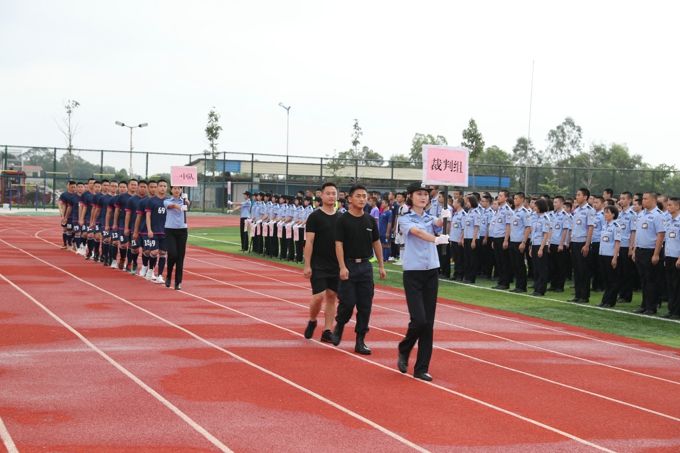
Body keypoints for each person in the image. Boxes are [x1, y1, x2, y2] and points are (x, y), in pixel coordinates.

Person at [397, 182, 450, 382]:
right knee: (418, 319)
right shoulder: (404, 218)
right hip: (413, 273)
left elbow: (437, 224)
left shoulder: (429, 218)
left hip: (431, 272)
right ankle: (404, 347)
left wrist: (446, 218)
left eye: (426, 194)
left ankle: (421, 367)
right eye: (419, 194)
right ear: (410, 196)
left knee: (428, 324)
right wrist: (436, 240)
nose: (423, 197)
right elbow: (418, 233)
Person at [331, 184, 387, 355]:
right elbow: (338, 244)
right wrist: (341, 266)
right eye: (358, 196)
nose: (362, 199)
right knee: (347, 303)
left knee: (365, 305)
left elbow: (376, 243)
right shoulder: (342, 219)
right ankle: (340, 325)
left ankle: (360, 340)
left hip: (365, 266)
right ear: (350, 199)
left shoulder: (370, 220)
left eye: (364, 196)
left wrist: (381, 265)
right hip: (348, 265)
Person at [302, 182, 341, 343]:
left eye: (334, 193)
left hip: (336, 264)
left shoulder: (341, 217)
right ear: (322, 196)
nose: (331, 196)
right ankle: (312, 320)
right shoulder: (315, 217)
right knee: (318, 296)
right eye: (328, 193)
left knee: (332, 296)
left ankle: (327, 330)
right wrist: (307, 264)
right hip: (318, 263)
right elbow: (309, 242)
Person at [632, 192, 666, 315]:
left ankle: (651, 307)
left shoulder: (658, 215)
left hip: (651, 250)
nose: (643, 201)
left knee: (651, 280)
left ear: (653, 200)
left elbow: (660, 235)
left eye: (646, 199)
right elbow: (638, 235)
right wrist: (635, 250)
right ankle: (644, 304)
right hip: (640, 250)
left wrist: (656, 254)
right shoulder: (641, 214)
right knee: (644, 280)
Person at [568, 188, 596, 304]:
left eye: (579, 195)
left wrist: (587, 244)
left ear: (585, 197)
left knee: (583, 270)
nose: (577, 196)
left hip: (583, 242)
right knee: (577, 270)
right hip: (574, 242)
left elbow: (590, 227)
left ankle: (584, 296)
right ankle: (577, 294)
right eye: (576, 194)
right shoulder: (577, 210)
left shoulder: (589, 210)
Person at [164, 186, 191, 290]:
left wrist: (187, 202)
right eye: (174, 188)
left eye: (179, 188)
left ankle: (178, 282)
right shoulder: (167, 201)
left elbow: (188, 205)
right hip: (170, 230)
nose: (176, 190)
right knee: (172, 254)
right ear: (171, 190)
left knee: (180, 257)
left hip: (182, 230)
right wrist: (180, 207)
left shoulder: (184, 200)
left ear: (181, 190)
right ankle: (169, 275)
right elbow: (172, 206)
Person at [598, 205, 622, 308]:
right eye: (604, 212)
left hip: (610, 255)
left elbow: (617, 242)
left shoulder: (616, 226)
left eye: (607, 212)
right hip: (603, 254)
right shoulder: (605, 225)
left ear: (613, 214)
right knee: (606, 278)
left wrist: (615, 257)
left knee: (612, 279)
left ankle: (610, 301)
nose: (605, 214)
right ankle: (605, 300)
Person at [146, 179, 169, 284]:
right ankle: (151, 270)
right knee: (154, 252)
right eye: (161, 186)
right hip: (154, 231)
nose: (163, 188)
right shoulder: (151, 200)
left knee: (163, 253)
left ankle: (160, 275)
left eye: (165, 186)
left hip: (165, 232)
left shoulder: (168, 201)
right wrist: (149, 229)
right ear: (157, 187)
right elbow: (148, 216)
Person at [490, 190, 513, 290]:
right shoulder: (498, 209)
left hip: (502, 238)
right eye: (498, 195)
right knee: (498, 261)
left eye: (500, 196)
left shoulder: (507, 210)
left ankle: (505, 283)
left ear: (506, 198)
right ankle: (501, 281)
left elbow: (508, 226)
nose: (498, 197)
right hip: (496, 237)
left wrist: (506, 240)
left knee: (504, 261)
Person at [509, 192, 531, 293]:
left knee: (520, 264)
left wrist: (523, 242)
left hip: (520, 241)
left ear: (522, 199)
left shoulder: (524, 212)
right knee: (514, 264)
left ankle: (522, 286)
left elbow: (528, 228)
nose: (515, 200)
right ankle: (518, 285)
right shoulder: (514, 211)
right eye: (514, 198)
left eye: (517, 198)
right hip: (513, 240)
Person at [548, 196, 570, 292]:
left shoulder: (565, 215)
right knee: (552, 266)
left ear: (561, 203)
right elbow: (550, 229)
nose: (554, 204)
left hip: (560, 244)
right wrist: (548, 243)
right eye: (554, 202)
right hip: (552, 242)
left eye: (556, 202)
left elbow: (565, 230)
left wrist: (562, 244)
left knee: (560, 266)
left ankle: (559, 286)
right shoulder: (552, 214)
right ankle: (553, 284)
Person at [529, 198, 551, 296]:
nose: (534, 207)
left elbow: (546, 234)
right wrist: (530, 246)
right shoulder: (534, 216)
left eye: (536, 206)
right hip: (534, 244)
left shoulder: (545, 218)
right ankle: (536, 288)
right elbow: (532, 232)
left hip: (541, 244)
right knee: (536, 268)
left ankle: (541, 289)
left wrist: (541, 248)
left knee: (542, 268)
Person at [662, 197, 680, 319]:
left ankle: (677, 311)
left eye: (670, 205)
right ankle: (671, 309)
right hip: (668, 256)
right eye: (667, 205)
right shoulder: (669, 221)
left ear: (678, 206)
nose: (668, 207)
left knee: (677, 285)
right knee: (670, 284)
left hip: (677, 257)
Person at [378, 198, 393, 262]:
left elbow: (389, 223)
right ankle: (383, 258)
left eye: (383, 203)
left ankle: (386, 258)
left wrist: (387, 232)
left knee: (386, 244)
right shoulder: (382, 212)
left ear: (387, 204)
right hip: (380, 231)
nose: (382, 204)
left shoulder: (389, 212)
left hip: (385, 231)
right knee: (381, 244)